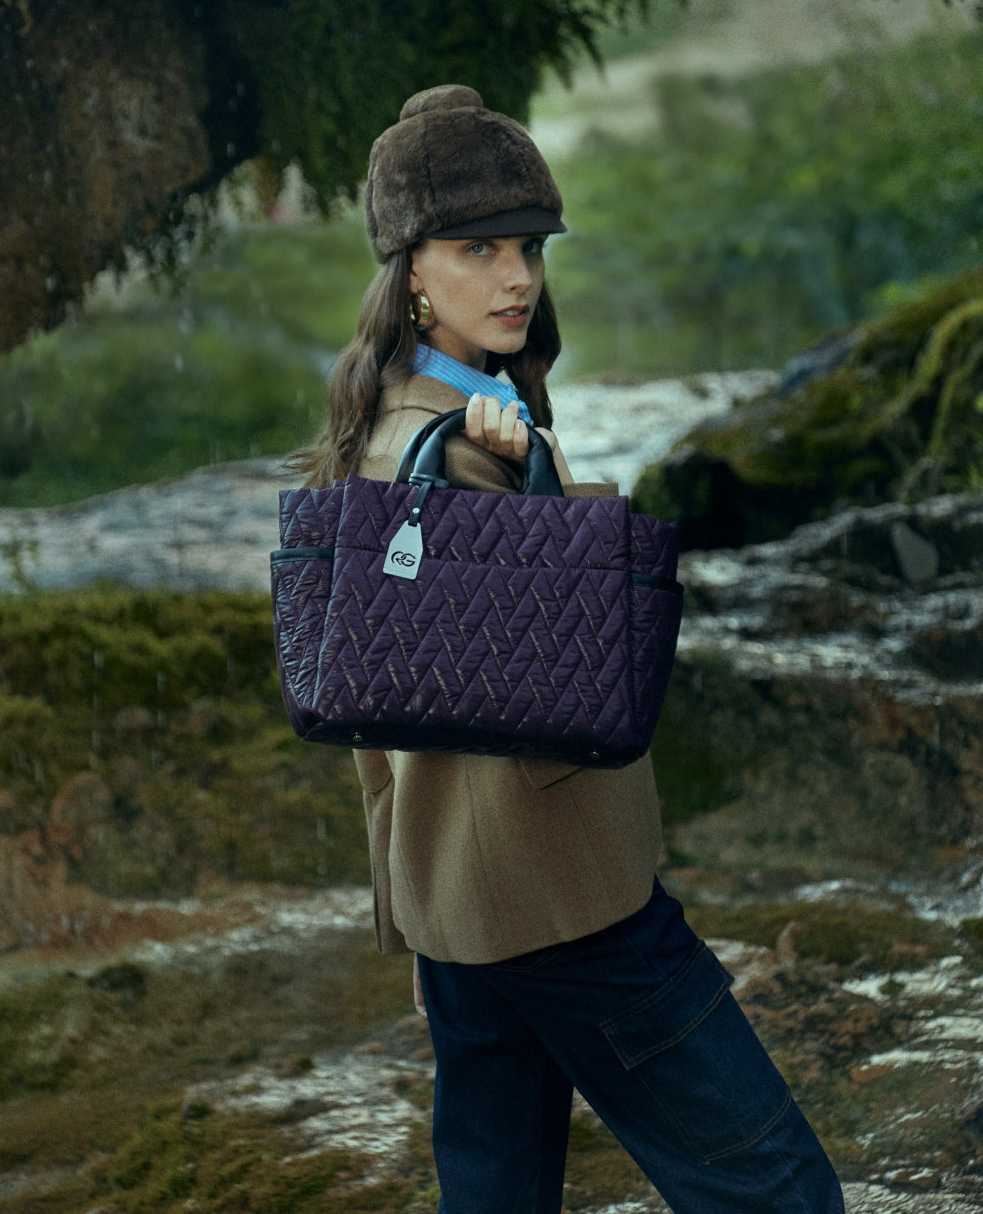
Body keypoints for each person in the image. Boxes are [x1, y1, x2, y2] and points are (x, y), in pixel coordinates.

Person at [296, 84, 845, 1214]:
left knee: (497, 1195)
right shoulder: (443, 445)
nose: (516, 278)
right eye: (478, 248)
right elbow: (579, 642)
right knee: (777, 1190)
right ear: (410, 270)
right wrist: (539, 483)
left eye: (530, 249)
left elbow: (409, 696)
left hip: (458, 902)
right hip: (562, 897)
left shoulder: (388, 417)